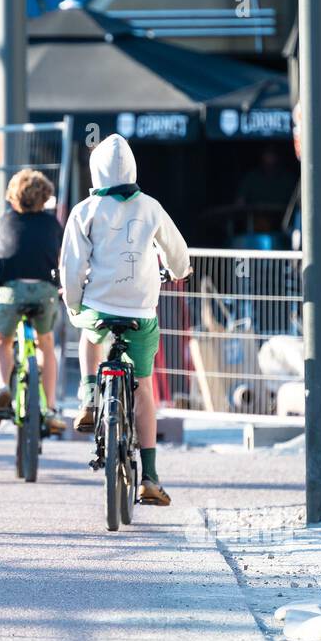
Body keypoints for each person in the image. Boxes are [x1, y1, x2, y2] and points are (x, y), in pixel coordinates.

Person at [60, 134, 190, 507]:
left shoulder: (85, 210)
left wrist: (74, 304)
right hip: (141, 312)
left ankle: (87, 396)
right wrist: (179, 271)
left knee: (90, 335)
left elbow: (71, 266)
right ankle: (149, 477)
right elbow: (177, 255)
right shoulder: (151, 207)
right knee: (144, 388)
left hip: (99, 306)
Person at [0, 169, 65, 434]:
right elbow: (61, 260)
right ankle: (51, 408)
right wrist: (64, 287)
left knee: (1, 343)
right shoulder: (53, 224)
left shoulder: (4, 222)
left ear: (13, 197)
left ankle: (2, 390)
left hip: (11, 293)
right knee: (46, 345)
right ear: (45, 198)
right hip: (46, 292)